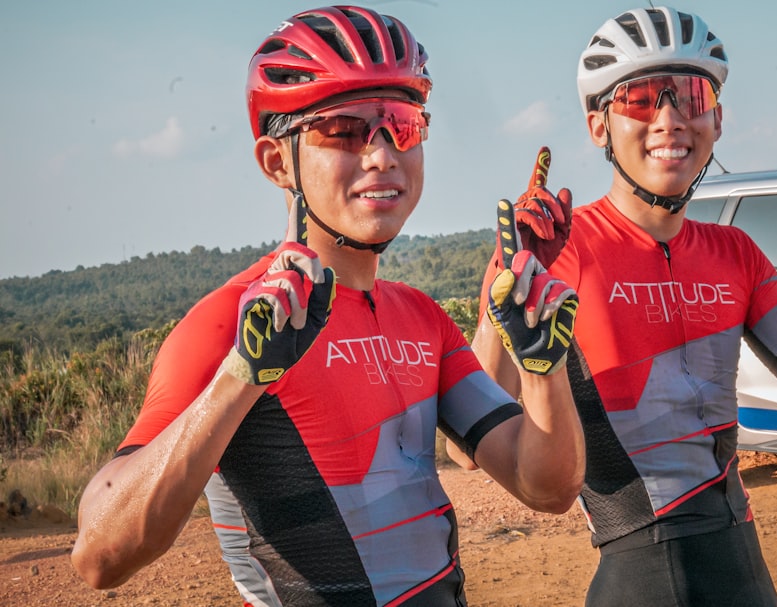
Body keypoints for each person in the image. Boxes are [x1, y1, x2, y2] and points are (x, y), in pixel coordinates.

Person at [70, 6, 584, 606]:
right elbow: (98, 556)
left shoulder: (423, 319)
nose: (382, 155)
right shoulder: (229, 321)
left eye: (402, 126)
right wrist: (242, 375)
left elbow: (545, 488)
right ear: (276, 161)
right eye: (343, 130)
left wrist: (542, 369)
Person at [471, 6, 777, 606]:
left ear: (716, 119)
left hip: (744, 571)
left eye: (691, 97)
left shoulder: (735, 254)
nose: (669, 120)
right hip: (638, 573)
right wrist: (509, 284)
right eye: (639, 100)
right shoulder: (556, 249)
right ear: (598, 125)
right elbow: (470, 438)